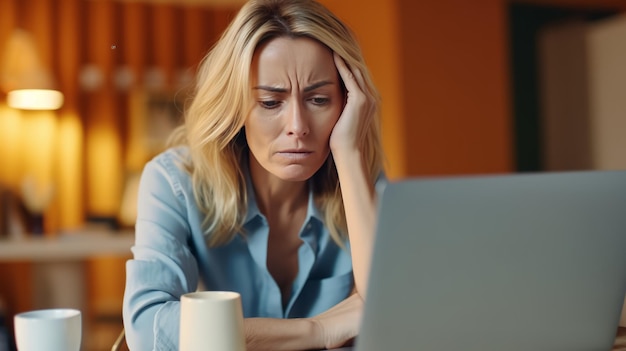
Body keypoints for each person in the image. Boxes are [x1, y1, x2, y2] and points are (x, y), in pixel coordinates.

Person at [122, 0, 387, 349]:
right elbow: (148, 328)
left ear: (349, 103)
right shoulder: (174, 182)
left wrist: (350, 154)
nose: (298, 127)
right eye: (270, 102)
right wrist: (317, 331)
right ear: (235, 106)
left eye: (319, 99)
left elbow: (391, 312)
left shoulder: (361, 181)